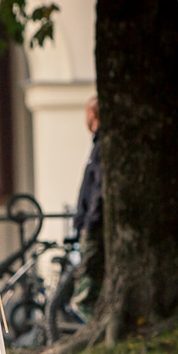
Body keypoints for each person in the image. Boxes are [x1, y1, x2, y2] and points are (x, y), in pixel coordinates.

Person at [71, 96, 103, 319]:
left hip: (95, 226)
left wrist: (90, 221)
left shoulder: (102, 146)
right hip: (89, 222)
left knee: (84, 296)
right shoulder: (96, 144)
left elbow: (99, 189)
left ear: (93, 114)